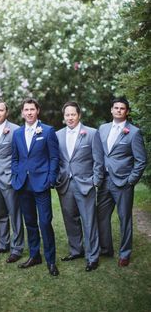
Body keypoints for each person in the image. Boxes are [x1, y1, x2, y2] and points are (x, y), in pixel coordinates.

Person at [11, 98, 59, 276]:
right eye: (26, 110)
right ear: (22, 113)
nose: (29, 112)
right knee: (30, 222)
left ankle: (51, 261)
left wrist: (51, 179)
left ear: (37, 111)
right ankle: (34, 255)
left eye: (32, 109)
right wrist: (16, 174)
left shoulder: (47, 131)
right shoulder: (17, 133)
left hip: (42, 184)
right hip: (23, 184)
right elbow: (14, 158)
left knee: (45, 222)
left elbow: (54, 157)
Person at [97, 96, 147, 267]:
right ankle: (106, 249)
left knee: (124, 218)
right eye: (116, 108)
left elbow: (141, 161)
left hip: (123, 183)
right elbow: (100, 154)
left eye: (122, 108)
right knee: (101, 216)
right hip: (104, 181)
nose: (118, 110)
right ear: (111, 110)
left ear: (126, 112)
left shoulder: (133, 132)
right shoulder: (102, 129)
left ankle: (125, 253)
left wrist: (131, 181)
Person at [56, 101, 104, 272]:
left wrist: (95, 181)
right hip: (65, 184)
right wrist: (57, 178)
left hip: (85, 184)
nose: (70, 117)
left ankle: (92, 257)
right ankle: (76, 250)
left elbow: (98, 160)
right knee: (70, 219)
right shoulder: (58, 135)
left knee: (89, 221)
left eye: (73, 114)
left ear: (79, 115)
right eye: (67, 115)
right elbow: (57, 160)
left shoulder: (91, 133)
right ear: (64, 116)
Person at [0, 100, 24, 263]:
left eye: (1, 110)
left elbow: (21, 156)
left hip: (9, 178)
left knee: (14, 214)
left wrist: (16, 176)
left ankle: (17, 248)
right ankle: (3, 244)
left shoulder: (15, 130)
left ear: (6, 112)